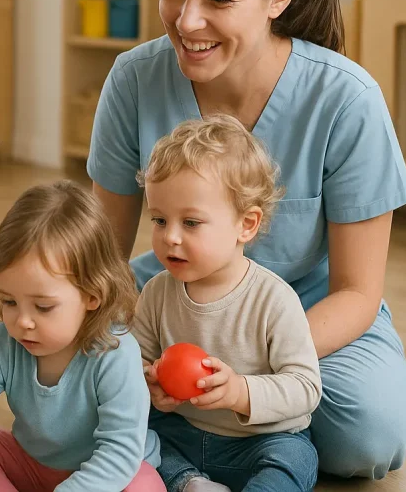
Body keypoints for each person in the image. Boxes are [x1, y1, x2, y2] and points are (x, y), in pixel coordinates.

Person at [88, 0, 406, 479]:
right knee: (73, 391)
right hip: (172, 302)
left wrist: (247, 369)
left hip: (310, 313)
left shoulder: (347, 99)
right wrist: (132, 354)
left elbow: (357, 292)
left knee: (367, 433)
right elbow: (101, 258)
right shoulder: (133, 80)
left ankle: (217, 433)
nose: (187, 20)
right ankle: (236, 445)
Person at [0, 181, 164, 492]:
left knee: (144, 485)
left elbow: (119, 453)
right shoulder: (6, 342)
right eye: (9, 301)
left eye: (43, 307)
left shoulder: (116, 353)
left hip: (106, 476)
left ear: (93, 295)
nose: (23, 321)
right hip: (31, 464)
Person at [133, 115, 321, 492]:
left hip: (258, 440)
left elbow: (305, 388)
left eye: (190, 223)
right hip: (180, 431)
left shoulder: (273, 300)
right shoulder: (155, 292)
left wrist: (239, 392)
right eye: (159, 220)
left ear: (246, 225)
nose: (170, 237)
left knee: (297, 458)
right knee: (133, 439)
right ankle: (190, 483)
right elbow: (133, 360)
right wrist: (149, 382)